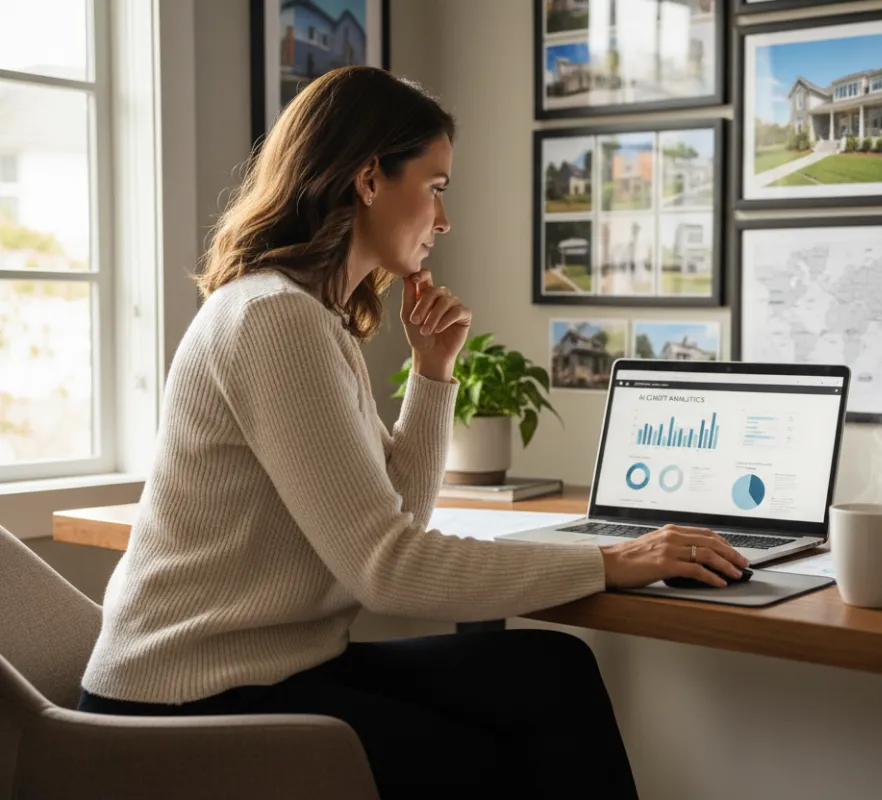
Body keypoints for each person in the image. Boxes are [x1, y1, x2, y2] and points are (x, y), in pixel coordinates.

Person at [76, 67, 749, 797]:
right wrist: (612, 560)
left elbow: (394, 523)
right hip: (187, 705)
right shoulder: (275, 318)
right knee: (490, 765)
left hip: (273, 671)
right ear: (369, 178)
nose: (444, 219)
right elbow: (387, 567)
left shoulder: (313, 318)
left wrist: (433, 373)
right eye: (435, 187)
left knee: (549, 673)